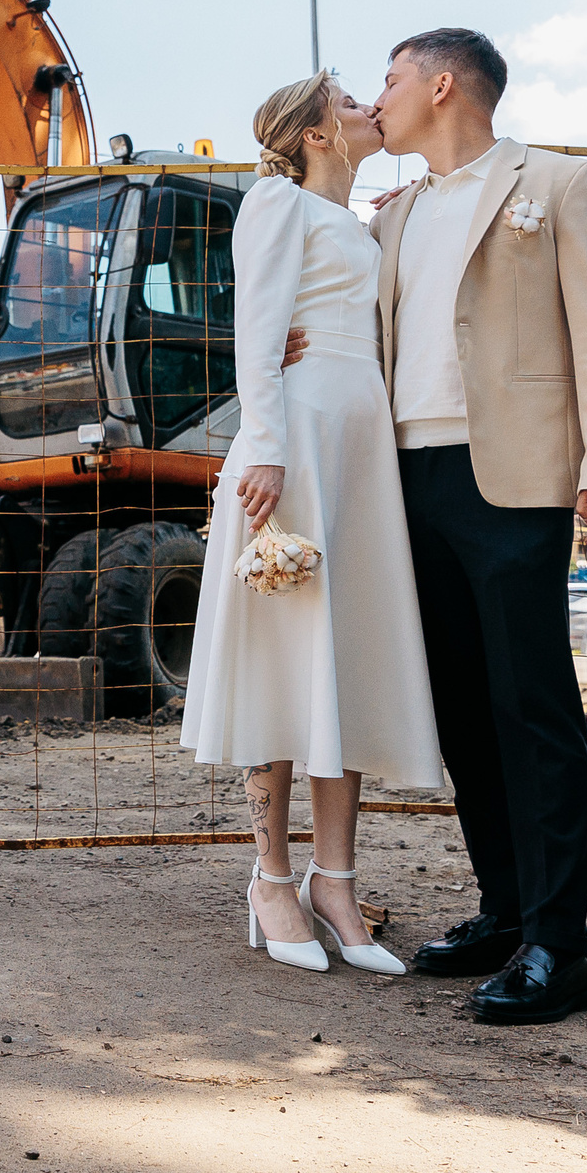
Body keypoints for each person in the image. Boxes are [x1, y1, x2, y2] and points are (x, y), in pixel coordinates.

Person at [366, 27, 587, 1026]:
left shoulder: (559, 184)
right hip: (408, 477)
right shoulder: (392, 217)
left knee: (530, 708)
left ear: (443, 85)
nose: (377, 96)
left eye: (389, 78)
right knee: (460, 712)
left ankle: (559, 949)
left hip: (515, 481)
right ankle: (504, 911)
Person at [182, 72, 444, 977]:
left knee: (342, 657)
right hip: (292, 446)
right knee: (283, 657)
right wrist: (262, 446)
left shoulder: (365, 217)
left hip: (358, 441)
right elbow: (255, 330)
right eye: (352, 99)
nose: (374, 106)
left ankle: (337, 880)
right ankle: (270, 879)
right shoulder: (274, 200)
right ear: (317, 130)